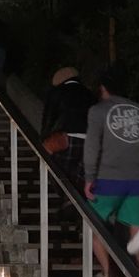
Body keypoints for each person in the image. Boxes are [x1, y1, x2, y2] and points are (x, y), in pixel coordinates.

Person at [84, 69, 139, 277]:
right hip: (137, 181)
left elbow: (92, 146)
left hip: (109, 180)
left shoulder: (98, 111)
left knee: (93, 228)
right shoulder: (138, 110)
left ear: (103, 88)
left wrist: (89, 177)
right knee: (137, 236)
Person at [40, 67, 96, 213]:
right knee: (81, 173)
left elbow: (49, 119)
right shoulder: (90, 94)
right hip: (90, 141)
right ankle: (81, 204)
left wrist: (44, 140)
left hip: (66, 138)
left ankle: (67, 197)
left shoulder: (56, 93)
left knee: (54, 167)